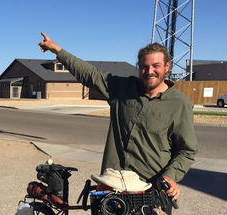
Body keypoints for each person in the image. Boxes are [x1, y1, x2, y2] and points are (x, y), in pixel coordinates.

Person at [38, 32, 198, 206]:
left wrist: (170, 176)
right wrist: (57, 50)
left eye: (156, 66)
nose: (149, 71)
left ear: (167, 67)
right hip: (113, 184)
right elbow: (89, 74)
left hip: (152, 188)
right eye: (144, 66)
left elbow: (186, 150)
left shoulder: (179, 103)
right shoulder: (122, 88)